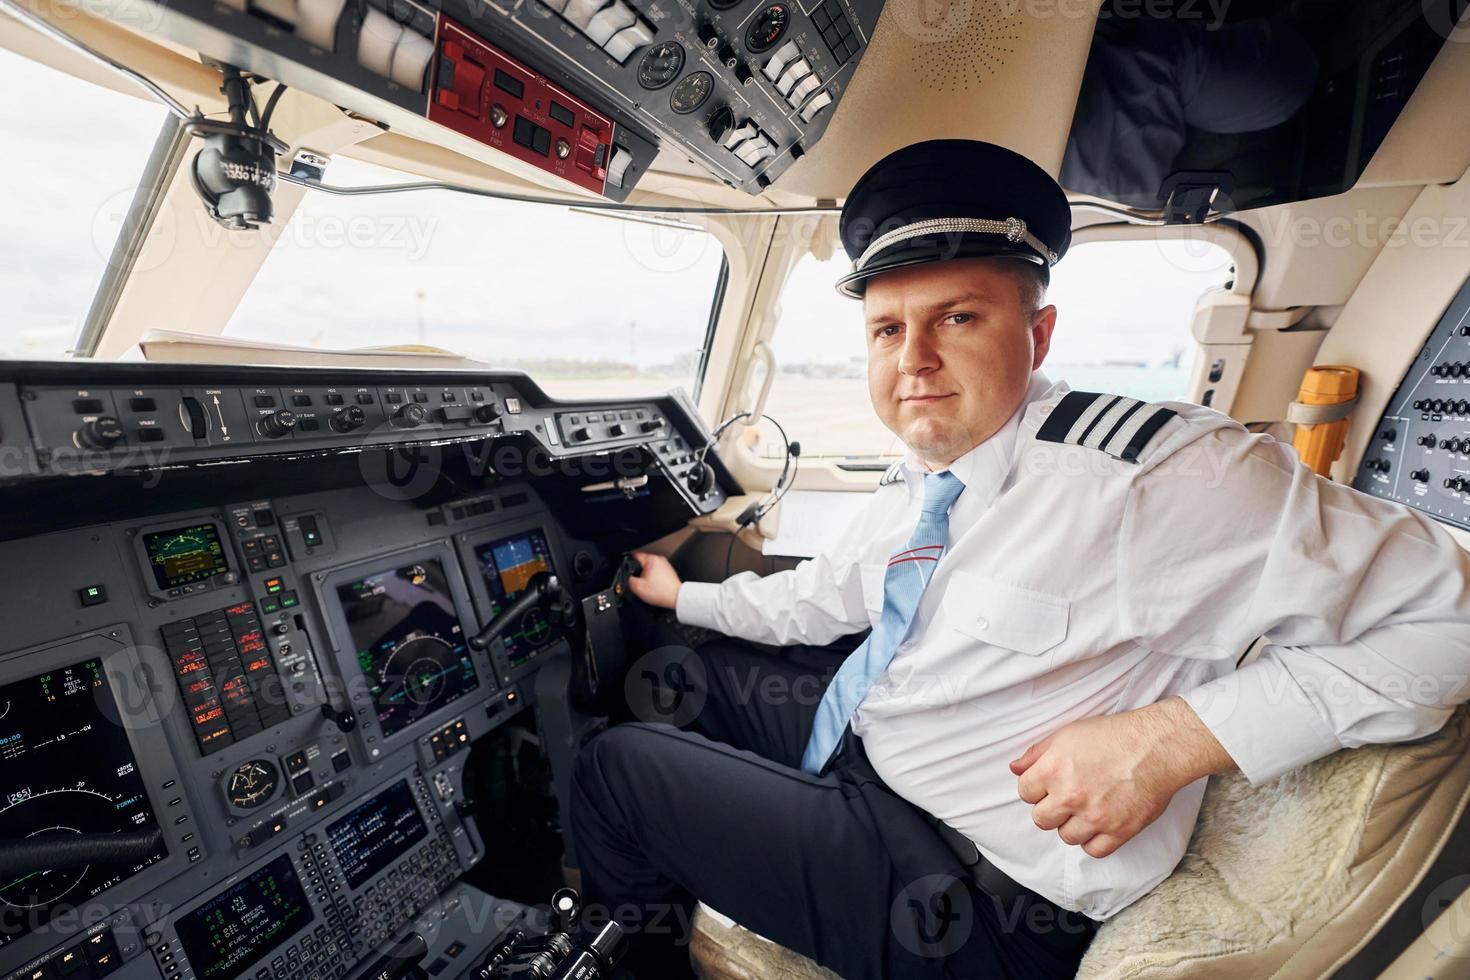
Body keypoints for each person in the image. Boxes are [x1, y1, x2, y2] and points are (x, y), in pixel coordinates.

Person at [568, 139, 1470, 980]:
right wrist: (687, 597)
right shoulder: (935, 457)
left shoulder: (1154, 478)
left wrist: (1171, 741)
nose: (913, 360)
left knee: (615, 772)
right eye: (888, 330)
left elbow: (1453, 619)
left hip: (980, 893)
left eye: (956, 317)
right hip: (884, 756)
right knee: (676, 667)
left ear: (1036, 337)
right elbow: (830, 597)